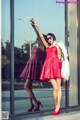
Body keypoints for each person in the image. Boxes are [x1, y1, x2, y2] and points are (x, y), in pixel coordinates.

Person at [31, 18, 63, 115]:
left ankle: (57, 106)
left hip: (56, 66)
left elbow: (60, 57)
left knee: (58, 88)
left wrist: (60, 65)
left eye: (50, 38)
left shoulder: (57, 46)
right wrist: (36, 25)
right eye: (48, 38)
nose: (48, 39)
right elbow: (41, 36)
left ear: (53, 38)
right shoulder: (47, 46)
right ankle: (57, 105)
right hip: (49, 67)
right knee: (55, 87)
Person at [20, 34, 47, 112]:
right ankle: (31, 105)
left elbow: (41, 59)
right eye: (38, 38)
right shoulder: (36, 46)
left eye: (40, 38)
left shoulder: (43, 48)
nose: (38, 39)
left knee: (26, 87)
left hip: (35, 67)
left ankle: (36, 102)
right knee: (29, 87)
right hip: (30, 65)